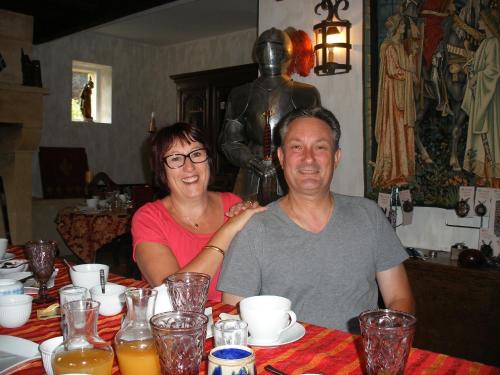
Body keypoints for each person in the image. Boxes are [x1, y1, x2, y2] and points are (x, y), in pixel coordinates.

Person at [218, 107, 414, 332]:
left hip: (360, 361)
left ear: (336, 157)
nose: (308, 158)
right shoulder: (254, 229)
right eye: (297, 147)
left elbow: (399, 298)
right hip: (286, 364)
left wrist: (386, 342)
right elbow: (232, 316)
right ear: (281, 157)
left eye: (320, 147)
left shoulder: (369, 215)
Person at [131, 122, 265, 301]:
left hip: (227, 324)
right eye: (175, 158)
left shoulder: (234, 204)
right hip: (178, 326)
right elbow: (175, 296)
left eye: (196, 154)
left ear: (208, 160)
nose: (189, 167)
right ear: (161, 170)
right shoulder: (149, 218)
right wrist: (228, 230)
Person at [220, 27, 321, 203]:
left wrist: (278, 162)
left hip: (291, 167)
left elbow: (315, 140)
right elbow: (229, 142)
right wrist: (253, 162)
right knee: (248, 223)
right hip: (251, 171)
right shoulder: (241, 94)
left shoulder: (306, 93)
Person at [372, 14, 417, 189]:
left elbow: (408, 66)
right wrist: (408, 74)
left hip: (403, 96)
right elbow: (392, 70)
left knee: (404, 131)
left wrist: (412, 63)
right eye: (402, 27)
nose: (404, 29)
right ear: (397, 27)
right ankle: (393, 173)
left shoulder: (400, 47)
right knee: (395, 129)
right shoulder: (390, 47)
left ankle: (404, 171)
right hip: (393, 97)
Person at [462, 8, 500, 187]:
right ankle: (482, 173)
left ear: (488, 22)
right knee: (480, 138)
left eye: (482, 20)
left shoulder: (493, 43)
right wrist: (471, 68)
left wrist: (478, 76)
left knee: (489, 135)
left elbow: (493, 70)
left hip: (489, 101)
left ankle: (490, 172)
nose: (479, 23)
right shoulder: (486, 42)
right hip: (481, 96)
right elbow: (478, 64)